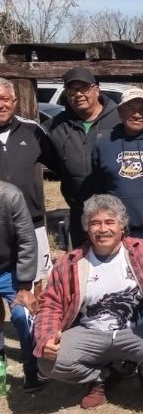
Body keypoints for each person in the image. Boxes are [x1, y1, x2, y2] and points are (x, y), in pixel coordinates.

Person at [33, 195, 143, 410]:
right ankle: (101, 377)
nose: (102, 229)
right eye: (95, 223)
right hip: (91, 332)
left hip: (141, 329)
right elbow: (51, 304)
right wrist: (46, 336)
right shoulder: (70, 263)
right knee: (48, 362)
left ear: (122, 226)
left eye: (109, 222)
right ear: (86, 228)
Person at [44, 67, 123, 247]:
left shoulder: (119, 119)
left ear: (96, 89)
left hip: (116, 213)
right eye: (72, 90)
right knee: (82, 267)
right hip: (79, 212)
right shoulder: (56, 125)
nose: (78, 94)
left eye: (84, 88)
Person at [91, 88, 143, 241]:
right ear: (120, 111)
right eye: (131, 109)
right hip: (112, 230)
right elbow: (97, 188)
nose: (136, 115)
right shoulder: (103, 144)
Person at [0, 78, 57, 287]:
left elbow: (59, 165)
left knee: (38, 281)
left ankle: (36, 320)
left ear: (14, 101)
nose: (1, 105)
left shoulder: (32, 130)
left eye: (5, 99)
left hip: (33, 223)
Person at [0, 180, 40, 391]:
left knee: (22, 316)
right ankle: (0, 372)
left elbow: (27, 240)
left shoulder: (10, 195)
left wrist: (25, 285)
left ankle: (32, 372)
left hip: (10, 270)